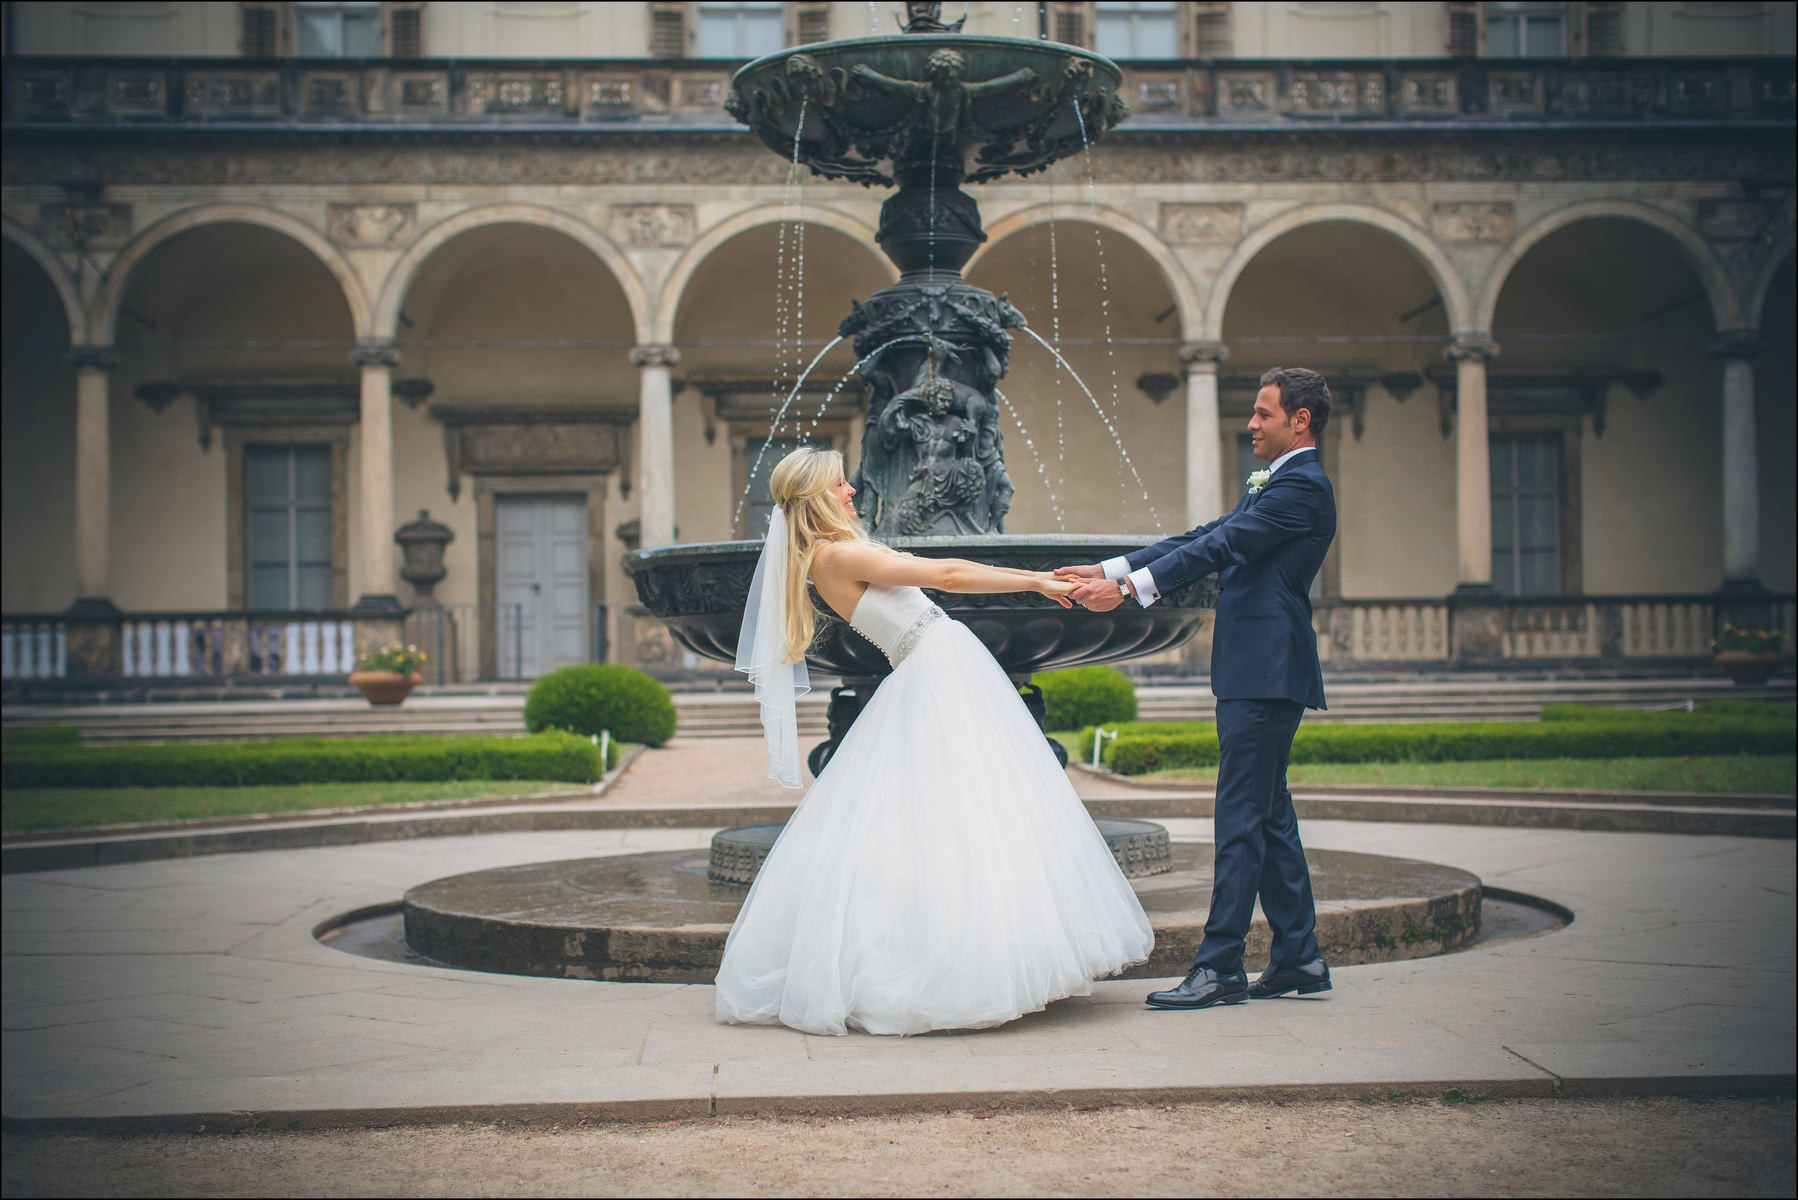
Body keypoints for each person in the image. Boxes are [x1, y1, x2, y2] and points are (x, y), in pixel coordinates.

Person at [715, 446, 1153, 1036]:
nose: (851, 491)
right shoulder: (839, 553)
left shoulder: (826, 556)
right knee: (964, 811)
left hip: (935, 668)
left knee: (951, 814)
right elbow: (946, 574)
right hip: (936, 672)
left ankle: (987, 952)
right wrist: (1036, 582)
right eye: (840, 485)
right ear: (817, 496)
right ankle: (959, 964)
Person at [1057, 367, 1338, 1011]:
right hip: (1258, 669)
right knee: (1270, 815)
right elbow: (1202, 537)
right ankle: (1298, 957)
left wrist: (1125, 592)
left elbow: (1226, 544)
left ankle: (1220, 967)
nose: (1251, 425)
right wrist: (1110, 567)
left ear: (1300, 420)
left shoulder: (1304, 488)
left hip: (1265, 671)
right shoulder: (1279, 483)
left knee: (1240, 818)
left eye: (1263, 414)